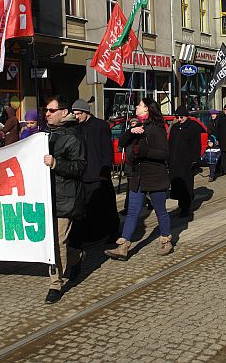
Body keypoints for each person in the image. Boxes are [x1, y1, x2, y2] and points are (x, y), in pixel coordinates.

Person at [105, 98, 173, 260]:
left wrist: (145, 152)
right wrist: (130, 132)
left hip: (155, 176)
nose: (136, 106)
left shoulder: (157, 129)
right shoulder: (136, 126)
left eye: (140, 105)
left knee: (160, 211)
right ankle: (123, 247)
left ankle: (166, 240)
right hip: (137, 176)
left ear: (147, 109)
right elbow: (121, 142)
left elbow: (164, 153)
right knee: (132, 211)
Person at [42, 95, 86, 304]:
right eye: (46, 110)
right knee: (59, 242)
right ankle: (76, 258)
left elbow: (80, 167)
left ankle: (54, 284)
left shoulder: (73, 137)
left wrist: (56, 164)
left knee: (57, 242)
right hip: (46, 196)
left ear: (64, 112)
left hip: (65, 198)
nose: (47, 114)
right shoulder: (46, 136)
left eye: (51, 110)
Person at [69, 98, 119, 248]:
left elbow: (107, 151)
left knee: (107, 205)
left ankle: (113, 232)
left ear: (86, 112)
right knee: (87, 207)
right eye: (74, 114)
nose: (76, 116)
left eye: (78, 113)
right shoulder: (76, 127)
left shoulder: (100, 126)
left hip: (98, 173)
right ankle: (92, 233)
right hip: (83, 174)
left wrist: (105, 171)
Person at [168, 106, 202, 217]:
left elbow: (197, 145)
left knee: (186, 185)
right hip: (175, 161)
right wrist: (168, 159)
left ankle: (186, 207)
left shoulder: (193, 127)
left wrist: (195, 160)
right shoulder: (175, 127)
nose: (180, 119)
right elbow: (170, 144)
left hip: (187, 162)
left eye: (181, 117)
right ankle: (181, 204)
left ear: (186, 116)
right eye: (177, 117)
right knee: (177, 185)